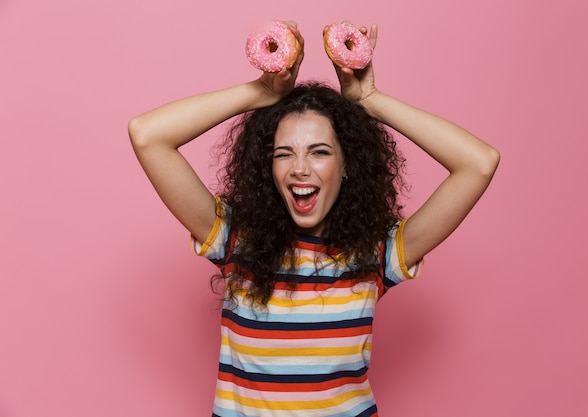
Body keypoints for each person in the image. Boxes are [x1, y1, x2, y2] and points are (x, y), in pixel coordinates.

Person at [129, 21, 499, 417]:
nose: (299, 169)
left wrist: (370, 99)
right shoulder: (237, 242)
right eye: (284, 153)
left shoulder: (377, 255)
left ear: (346, 166)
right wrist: (261, 92)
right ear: (266, 168)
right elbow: (147, 135)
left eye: (319, 152)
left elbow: (478, 163)